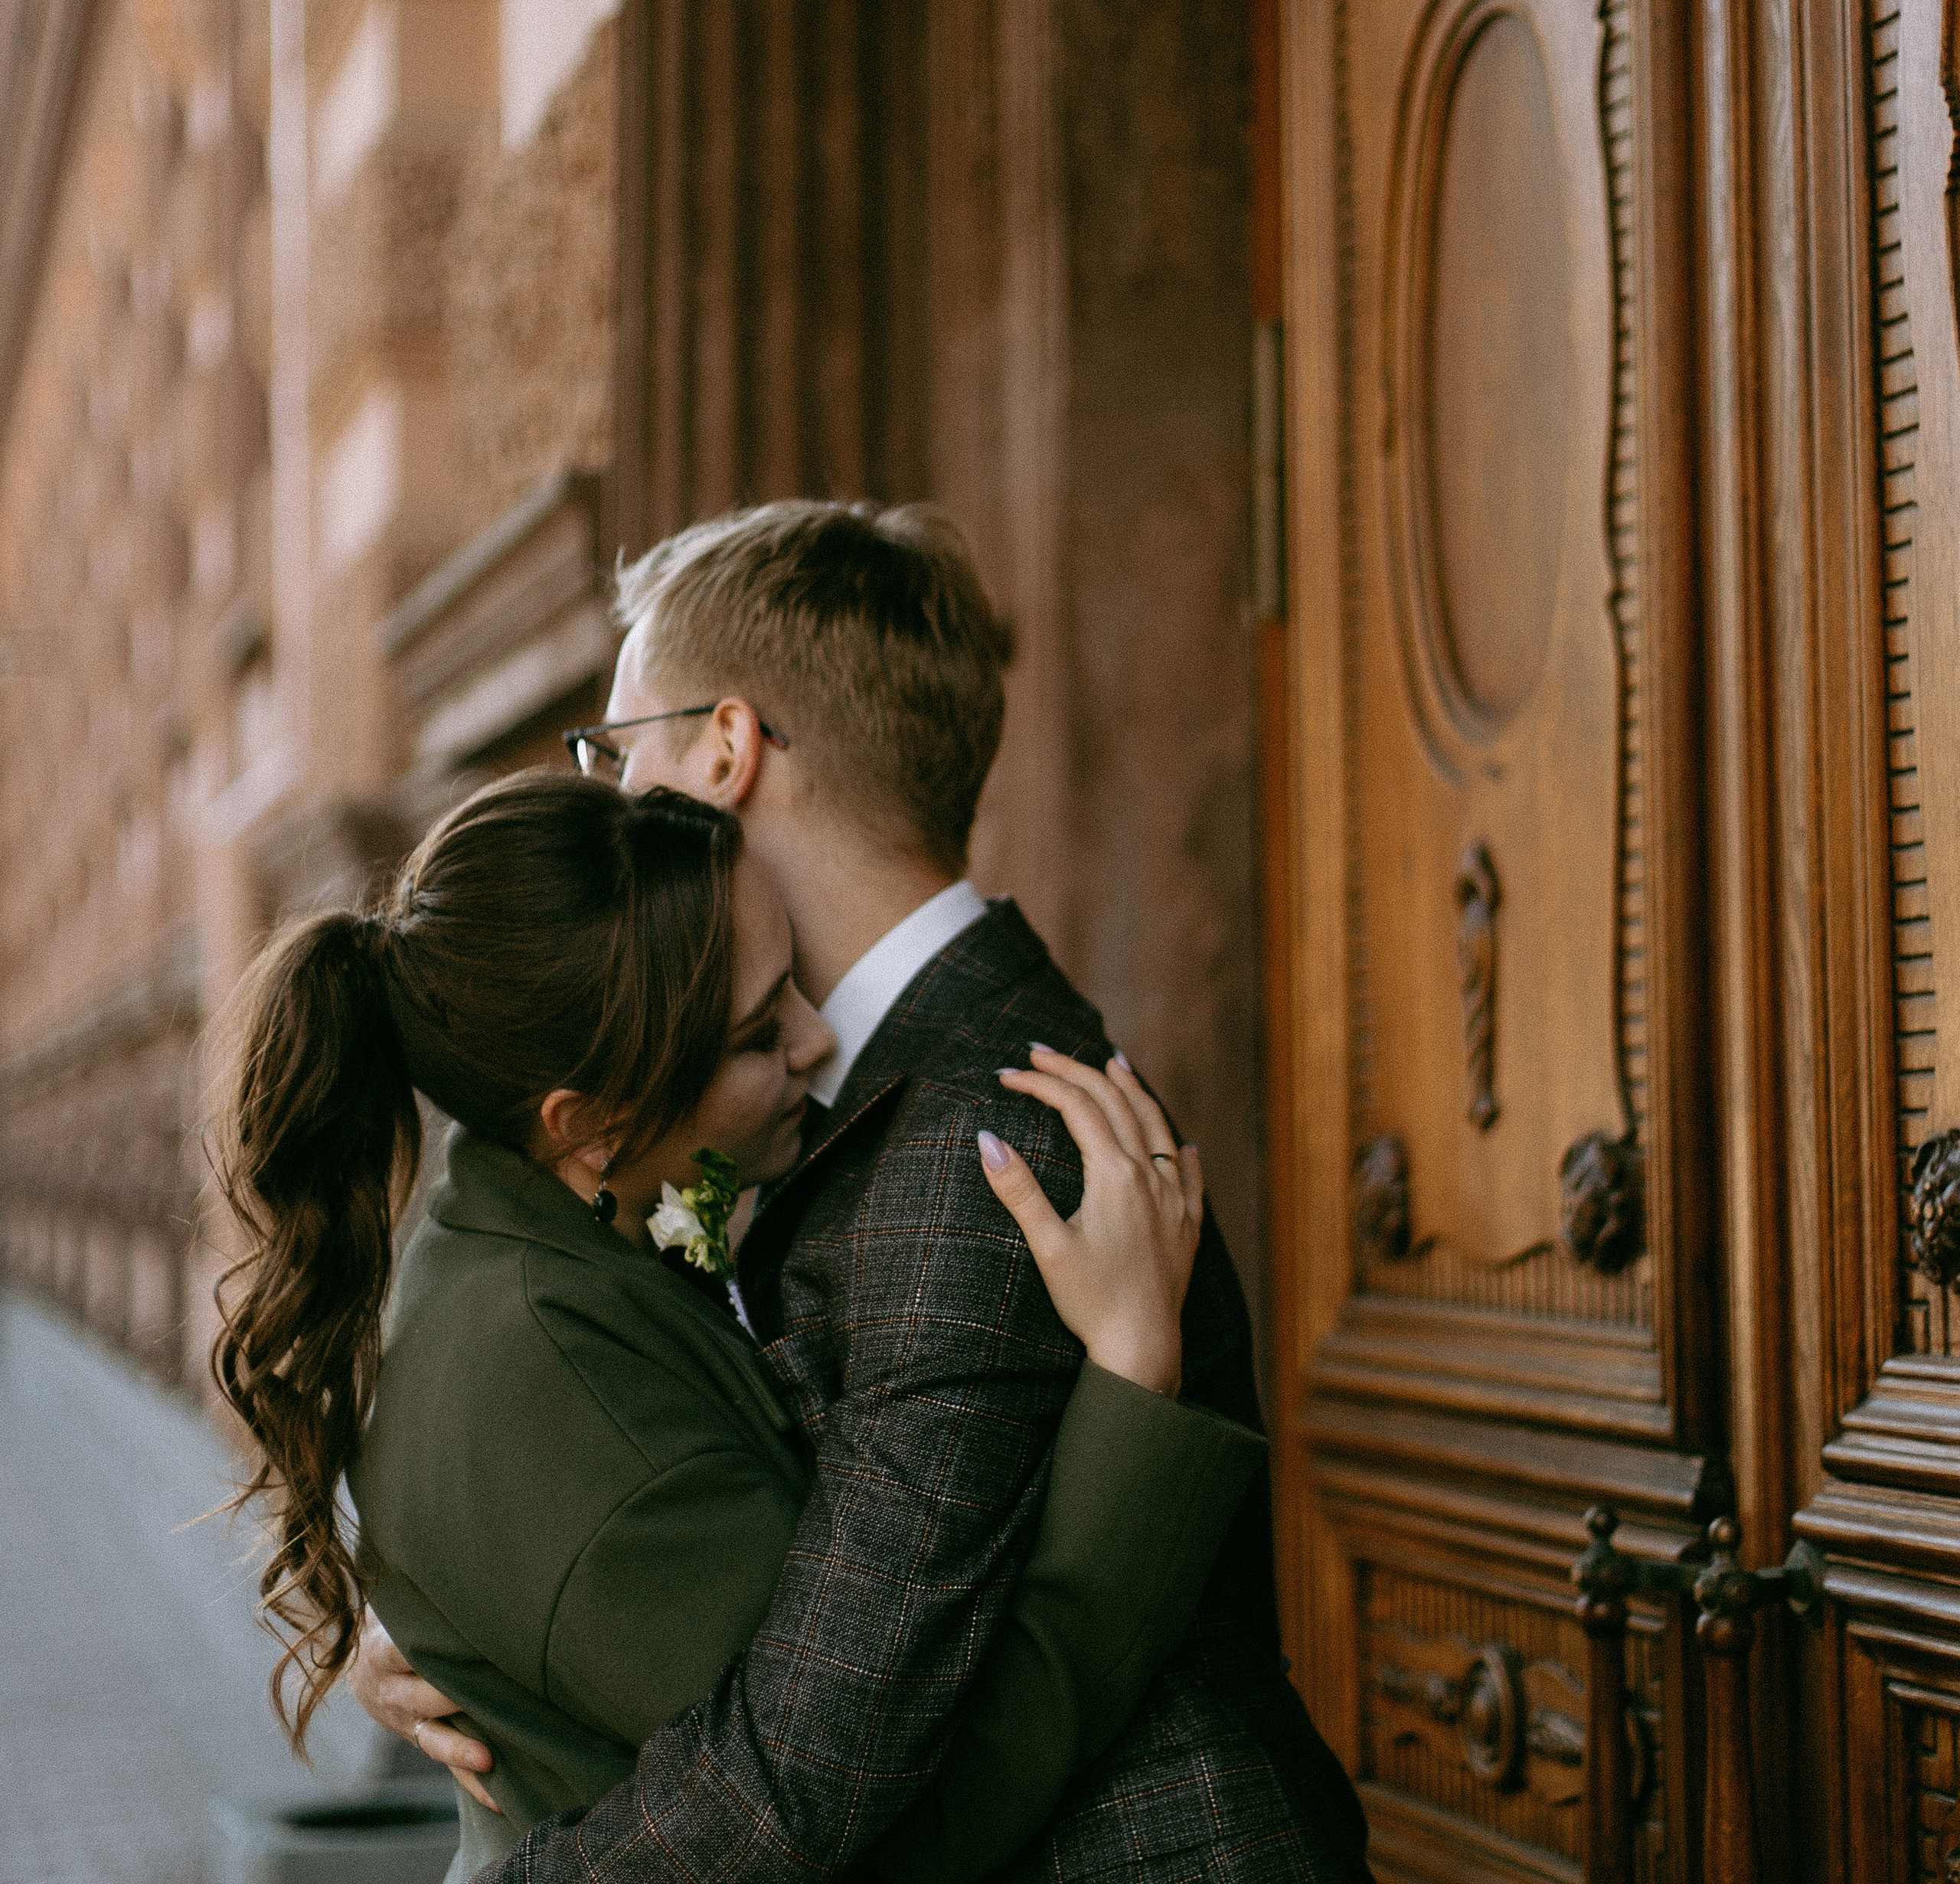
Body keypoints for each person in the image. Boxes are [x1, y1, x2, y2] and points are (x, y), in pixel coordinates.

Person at [356, 501, 1373, 1881]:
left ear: (725, 750)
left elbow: (824, 1757)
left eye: (613, 746)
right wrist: (461, 1616)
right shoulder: (822, 1091)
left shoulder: (981, 1148)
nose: (600, 795)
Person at [211, 771, 1266, 1883]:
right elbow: (881, 1824)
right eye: (760, 1034)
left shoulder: (551, 1221)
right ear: (590, 1123)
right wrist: (1134, 1384)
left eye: (798, 983)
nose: (820, 1042)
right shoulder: (558, 1389)